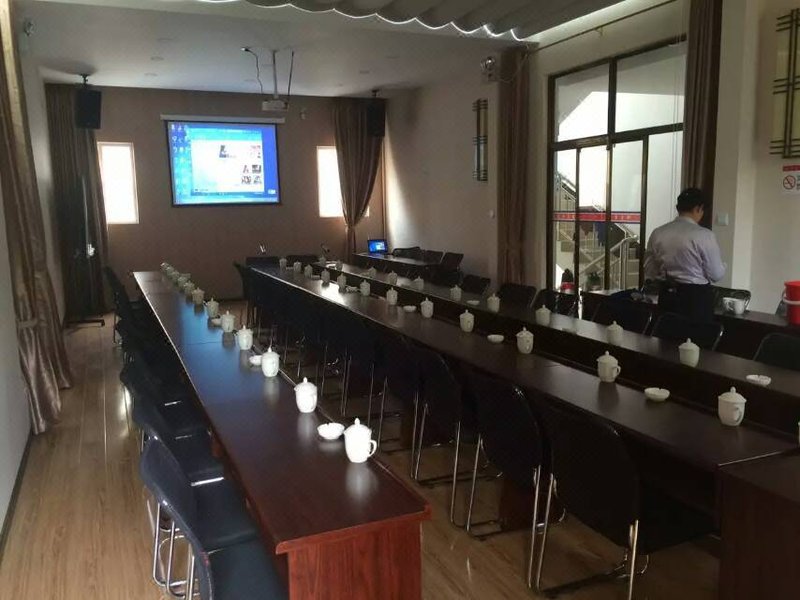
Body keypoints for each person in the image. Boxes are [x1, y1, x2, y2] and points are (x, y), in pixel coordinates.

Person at [643, 188, 726, 321]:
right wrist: (724, 266)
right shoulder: (704, 235)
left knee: (666, 332)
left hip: (667, 295)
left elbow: (650, 269)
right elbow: (716, 274)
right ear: (698, 208)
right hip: (696, 298)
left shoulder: (658, 232)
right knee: (695, 333)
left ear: (678, 208)